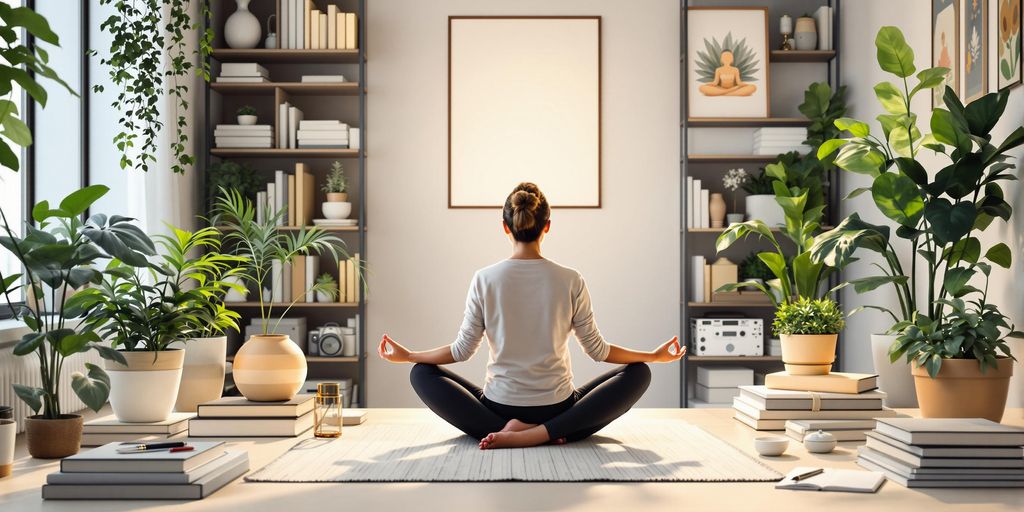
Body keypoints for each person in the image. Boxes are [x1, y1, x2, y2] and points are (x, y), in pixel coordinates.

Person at [378, 183, 684, 450]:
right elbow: (598, 351)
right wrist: (653, 356)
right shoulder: (570, 279)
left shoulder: (484, 279)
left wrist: (409, 355)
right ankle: (546, 433)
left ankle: (514, 432)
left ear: (505, 226)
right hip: (558, 409)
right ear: (548, 225)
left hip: (497, 409)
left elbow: (460, 352)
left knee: (420, 372)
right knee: (640, 373)